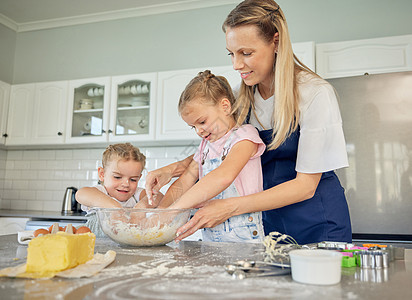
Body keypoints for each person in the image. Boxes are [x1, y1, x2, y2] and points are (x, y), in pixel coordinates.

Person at [146, 0, 352, 245]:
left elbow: (305, 186)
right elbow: (219, 152)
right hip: (267, 223)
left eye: (246, 53)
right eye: (231, 54)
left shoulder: (315, 93)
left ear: (275, 42)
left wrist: (229, 207)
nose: (236, 65)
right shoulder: (238, 99)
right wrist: (173, 169)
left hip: (317, 222)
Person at [157, 70, 266, 243]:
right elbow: (184, 182)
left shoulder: (245, 137)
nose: (199, 131)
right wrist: (159, 214)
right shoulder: (205, 147)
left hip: (244, 237)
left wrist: (175, 209)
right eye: (193, 127)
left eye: (202, 122)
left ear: (225, 106)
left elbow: (223, 176)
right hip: (211, 236)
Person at [76, 143, 162, 237]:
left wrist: (140, 208)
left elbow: (158, 196)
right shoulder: (101, 192)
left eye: (133, 179)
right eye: (117, 177)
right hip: (96, 247)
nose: (126, 184)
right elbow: (81, 194)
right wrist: (114, 208)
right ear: (102, 174)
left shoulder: (136, 194)